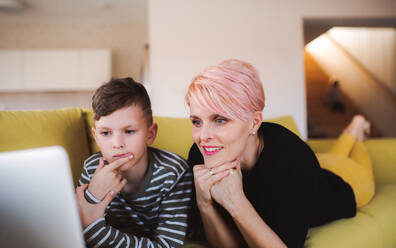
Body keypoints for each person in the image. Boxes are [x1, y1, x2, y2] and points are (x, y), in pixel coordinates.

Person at [185, 60, 375, 248]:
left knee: (348, 160)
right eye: (196, 121)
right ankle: (354, 130)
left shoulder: (291, 160)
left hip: (346, 182)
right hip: (315, 168)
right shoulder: (201, 155)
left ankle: (356, 133)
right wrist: (205, 203)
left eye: (219, 120)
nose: (203, 137)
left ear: (254, 122)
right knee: (332, 157)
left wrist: (237, 203)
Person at [75, 77, 193, 248]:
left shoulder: (174, 172)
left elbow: (167, 245)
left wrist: (95, 232)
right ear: (96, 137)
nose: (117, 144)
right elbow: (79, 230)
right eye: (106, 133)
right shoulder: (93, 168)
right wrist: (93, 194)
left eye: (129, 131)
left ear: (150, 134)